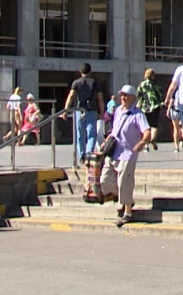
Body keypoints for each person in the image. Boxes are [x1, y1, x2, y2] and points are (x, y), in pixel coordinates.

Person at [98, 85, 152, 227]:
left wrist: (141, 143)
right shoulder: (118, 112)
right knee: (105, 180)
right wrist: (105, 142)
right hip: (114, 151)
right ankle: (125, 199)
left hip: (128, 153)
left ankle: (127, 212)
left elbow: (147, 132)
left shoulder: (138, 114)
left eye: (126, 95)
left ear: (133, 98)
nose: (123, 98)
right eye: (122, 95)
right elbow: (114, 131)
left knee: (125, 182)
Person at [60, 63, 105, 164]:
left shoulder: (76, 83)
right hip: (91, 110)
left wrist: (65, 110)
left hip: (79, 110)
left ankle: (81, 155)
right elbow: (100, 99)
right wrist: (101, 112)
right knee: (91, 134)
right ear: (90, 72)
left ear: (80, 72)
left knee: (80, 134)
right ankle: (89, 153)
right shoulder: (95, 83)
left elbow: (71, 96)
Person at [136, 69, 163, 150]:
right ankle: (153, 139)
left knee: (146, 127)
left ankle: (146, 145)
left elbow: (138, 95)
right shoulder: (156, 84)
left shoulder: (142, 84)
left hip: (145, 107)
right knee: (154, 125)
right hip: (155, 107)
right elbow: (160, 95)